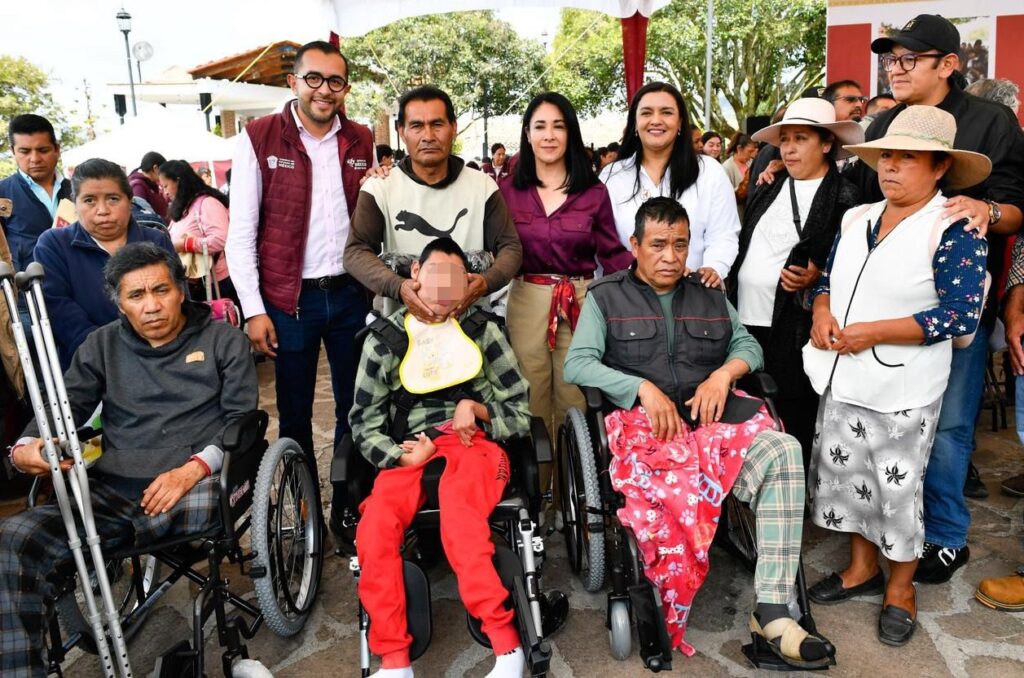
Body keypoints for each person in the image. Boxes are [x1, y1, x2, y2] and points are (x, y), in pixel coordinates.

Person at [564, 197, 831, 667]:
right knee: (659, 490)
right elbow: (578, 363)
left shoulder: (709, 293)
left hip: (713, 423)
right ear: (634, 245)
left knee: (784, 450)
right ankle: (661, 588)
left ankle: (772, 610)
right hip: (649, 430)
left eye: (680, 245)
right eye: (658, 245)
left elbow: (748, 346)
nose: (670, 256)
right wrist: (639, 387)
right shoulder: (606, 297)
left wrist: (724, 375)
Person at [0, 242, 257, 678]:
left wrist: (192, 470)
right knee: (14, 538)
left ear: (181, 290)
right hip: (115, 492)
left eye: (161, 290)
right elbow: (65, 406)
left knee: (213, 496)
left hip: (195, 485)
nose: (151, 305)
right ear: (119, 304)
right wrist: (26, 446)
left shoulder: (224, 341)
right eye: (136, 295)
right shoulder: (101, 345)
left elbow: (241, 420)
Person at [803, 105, 990, 646]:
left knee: (897, 489)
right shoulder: (857, 218)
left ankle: (901, 588)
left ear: (939, 168)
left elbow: (960, 315)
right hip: (845, 374)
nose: (890, 166)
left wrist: (875, 332)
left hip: (904, 385)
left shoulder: (954, 228)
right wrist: (821, 311)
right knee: (849, 479)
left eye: (908, 157)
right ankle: (861, 569)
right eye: (887, 155)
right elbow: (828, 281)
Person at [861, 14, 1024, 585]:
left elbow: (1017, 209)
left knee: (950, 426)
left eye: (909, 58)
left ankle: (947, 536)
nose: (895, 68)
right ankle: (885, 527)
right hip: (885, 307)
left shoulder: (990, 120)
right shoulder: (885, 121)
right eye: (891, 59)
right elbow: (861, 205)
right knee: (884, 421)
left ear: (948, 64)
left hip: (958, 311)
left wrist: (988, 210)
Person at [351, 238, 532, 678]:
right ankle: (395, 661)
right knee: (373, 530)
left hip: (473, 444)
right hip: (410, 448)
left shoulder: (482, 331)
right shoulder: (385, 339)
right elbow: (363, 422)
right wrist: (396, 456)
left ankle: (507, 645)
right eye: (436, 276)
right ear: (416, 273)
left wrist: (478, 409)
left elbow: (521, 413)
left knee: (461, 520)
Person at [225, 40, 375, 495]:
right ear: (293, 82)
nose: (324, 90)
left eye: (335, 81)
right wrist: (254, 310)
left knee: (357, 406)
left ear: (346, 88)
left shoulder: (361, 138)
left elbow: (372, 215)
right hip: (288, 301)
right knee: (294, 413)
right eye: (314, 78)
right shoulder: (260, 137)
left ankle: (349, 502)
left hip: (350, 294)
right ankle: (306, 503)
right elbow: (241, 233)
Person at [498, 91, 632, 510]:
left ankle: (575, 498)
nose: (549, 135)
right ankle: (535, 497)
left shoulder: (593, 192)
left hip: (581, 299)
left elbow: (613, 253)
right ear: (527, 133)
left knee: (576, 395)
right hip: (528, 298)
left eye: (558, 126)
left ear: (571, 133)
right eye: (540, 126)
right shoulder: (507, 191)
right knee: (531, 395)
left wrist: (655, 279)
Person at [727, 99, 862, 458]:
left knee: (792, 415)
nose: (788, 148)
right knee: (746, 414)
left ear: (827, 143)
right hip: (744, 320)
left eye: (801, 138)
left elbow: (851, 262)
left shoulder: (846, 196)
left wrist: (819, 274)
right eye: (784, 139)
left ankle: (794, 484)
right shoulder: (769, 184)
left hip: (793, 326)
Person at [345, 85, 522, 324]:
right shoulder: (379, 188)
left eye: (437, 124)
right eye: (417, 125)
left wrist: (486, 282)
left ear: (453, 128)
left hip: (470, 327)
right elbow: (355, 251)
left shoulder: (483, 186)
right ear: (402, 132)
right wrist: (398, 287)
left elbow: (510, 247)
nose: (428, 136)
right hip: (402, 329)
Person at [33, 159, 175, 370]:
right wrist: (112, 355)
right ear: (75, 204)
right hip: (91, 365)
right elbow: (59, 311)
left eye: (113, 199)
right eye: (89, 200)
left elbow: (174, 299)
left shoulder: (156, 240)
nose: (102, 210)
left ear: (130, 201)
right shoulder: (54, 245)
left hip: (161, 358)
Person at [601, 82, 741, 289]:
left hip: (694, 294)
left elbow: (724, 234)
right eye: (646, 113)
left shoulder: (709, 172)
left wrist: (713, 269)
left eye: (666, 112)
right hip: (627, 296)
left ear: (680, 122)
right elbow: (604, 243)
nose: (656, 120)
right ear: (635, 123)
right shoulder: (612, 176)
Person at [158, 160, 238, 306]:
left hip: (216, 283)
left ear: (178, 181)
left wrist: (185, 244)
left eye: (166, 186)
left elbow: (220, 239)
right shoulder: (184, 207)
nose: (165, 192)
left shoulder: (207, 203)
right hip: (196, 282)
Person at [0, 115, 72, 275]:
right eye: (25, 151)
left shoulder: (80, 191)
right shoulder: (2, 194)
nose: (35, 159)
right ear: (13, 151)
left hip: (79, 281)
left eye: (43, 150)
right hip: (29, 286)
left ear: (57, 149)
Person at [721, 133, 759, 209]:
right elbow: (725, 194)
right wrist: (743, 186)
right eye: (750, 151)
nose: (752, 155)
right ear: (739, 148)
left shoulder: (751, 163)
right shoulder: (727, 167)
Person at [128, 151, 169, 220]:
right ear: (156, 168)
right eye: (164, 170)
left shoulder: (150, 184)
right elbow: (141, 216)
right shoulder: (138, 187)